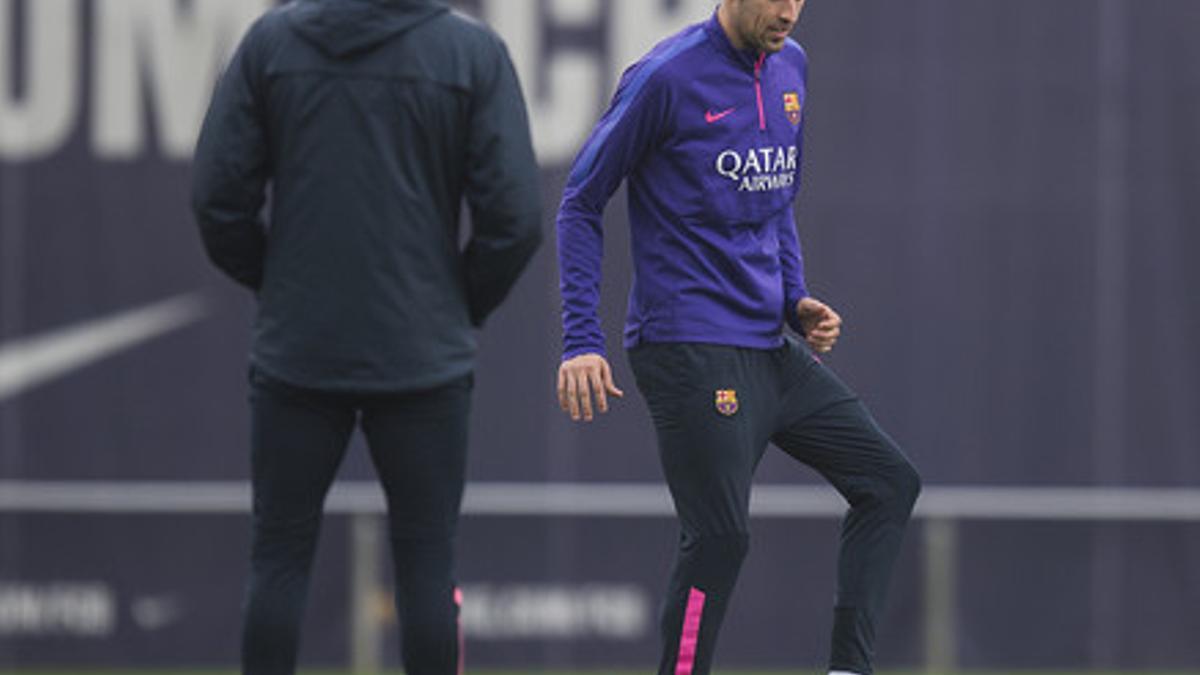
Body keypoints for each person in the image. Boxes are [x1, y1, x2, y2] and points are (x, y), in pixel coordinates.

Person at [555, 1, 920, 674]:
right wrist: (582, 338)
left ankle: (849, 669)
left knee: (889, 481)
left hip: (768, 345)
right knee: (720, 537)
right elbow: (579, 201)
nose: (788, 10)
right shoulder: (666, 77)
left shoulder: (792, 67)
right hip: (688, 345)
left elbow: (775, 202)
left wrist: (794, 299)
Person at [190, 0, 541, 673]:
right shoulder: (469, 53)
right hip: (423, 358)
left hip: (299, 350)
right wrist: (457, 303)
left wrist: (277, 280)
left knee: (278, 558)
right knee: (428, 563)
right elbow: (515, 220)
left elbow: (216, 198)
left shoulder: (271, 42)